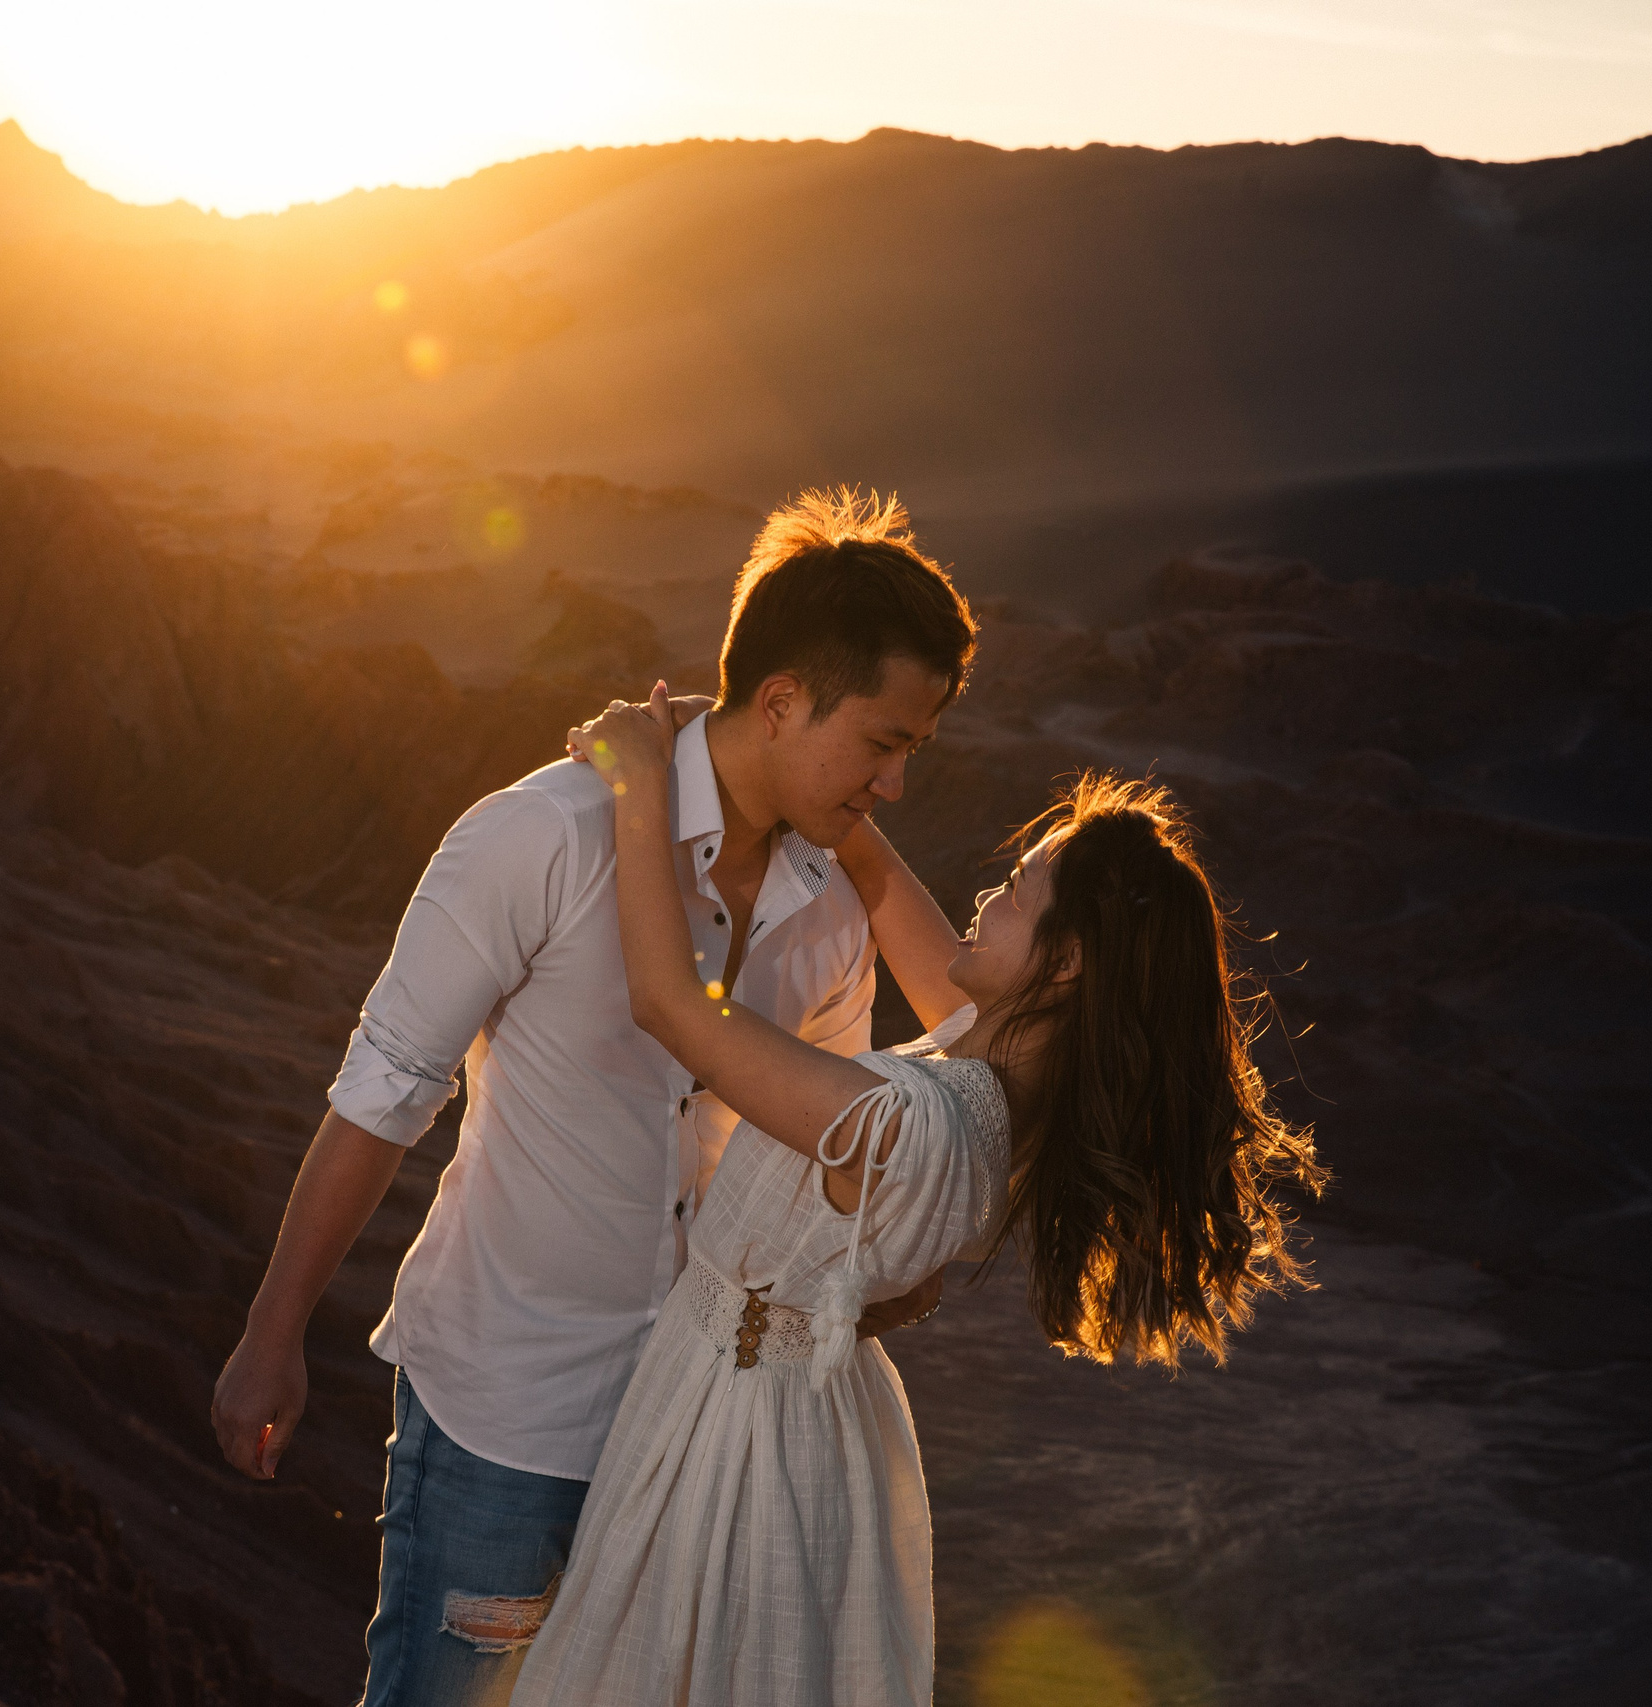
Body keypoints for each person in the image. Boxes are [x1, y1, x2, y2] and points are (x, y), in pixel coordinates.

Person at [210, 489, 978, 1705]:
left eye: (911, 754)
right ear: (782, 700)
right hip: (506, 1422)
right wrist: (271, 1336)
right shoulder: (544, 835)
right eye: (883, 743)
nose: (893, 786)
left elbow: (804, 1150)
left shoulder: (834, 909)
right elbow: (385, 1092)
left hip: (698, 1436)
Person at [507, 688, 1325, 1707]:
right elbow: (901, 909)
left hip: (740, 1439)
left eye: (1018, 891)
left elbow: (671, 1007)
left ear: (1065, 964)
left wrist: (637, 781)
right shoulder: (1012, 1097)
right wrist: (800, 771)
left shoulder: (907, 1122)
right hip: (787, 1414)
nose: (989, 896)